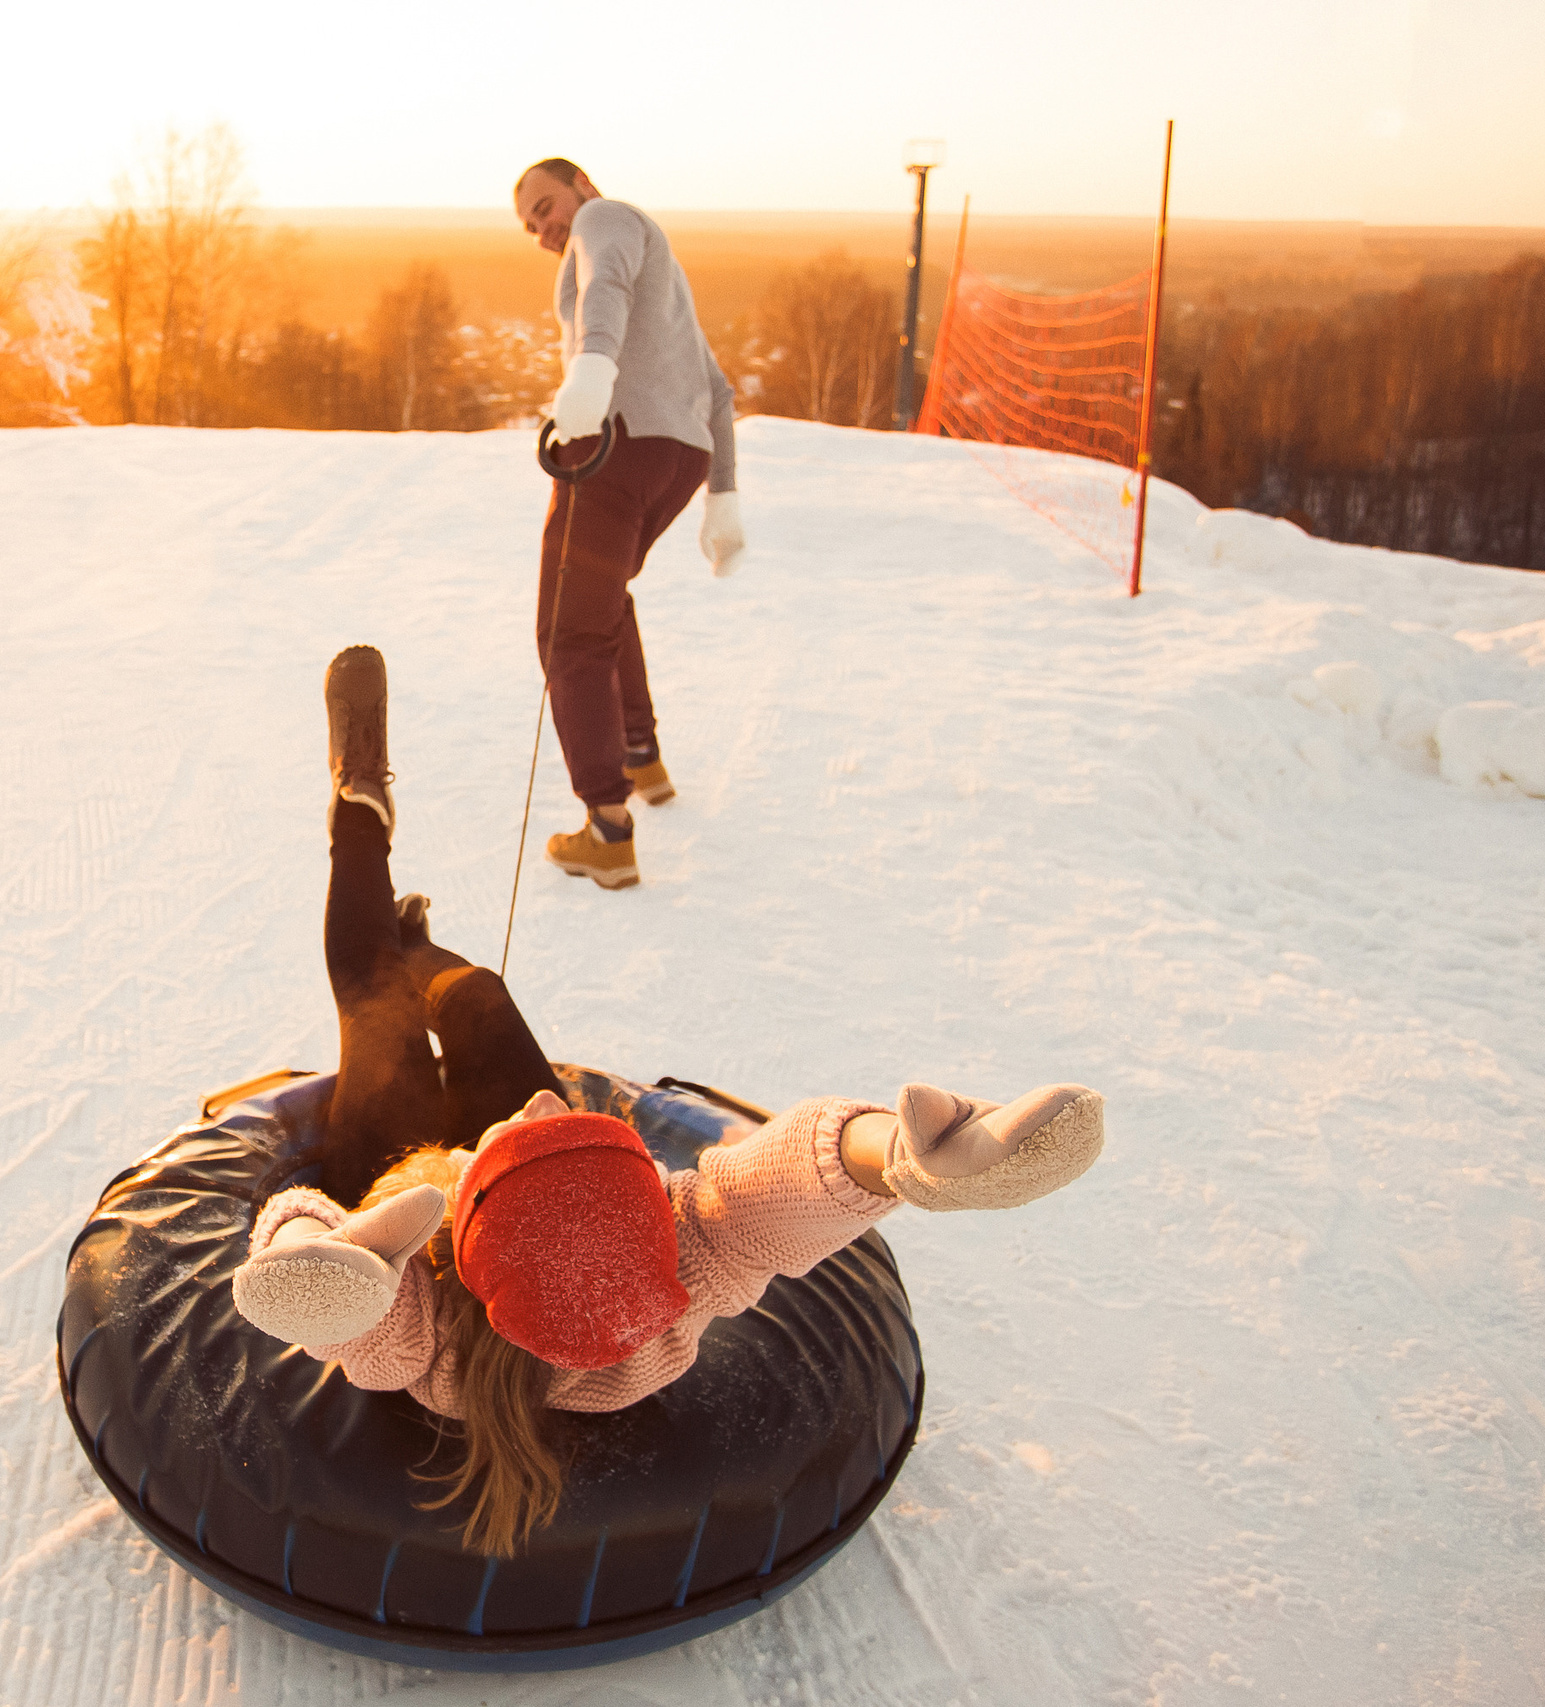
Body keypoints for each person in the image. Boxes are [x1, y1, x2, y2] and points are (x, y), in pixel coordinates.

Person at [232, 647, 1105, 1557]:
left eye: (533, 1129)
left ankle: (360, 812)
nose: (542, 1105)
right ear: (650, 1208)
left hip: (400, 1188)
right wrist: (897, 1157)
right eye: (580, 1136)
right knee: (481, 995)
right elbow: (776, 1192)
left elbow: (351, 1310)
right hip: (522, 1201)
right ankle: (425, 953)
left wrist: (315, 1248)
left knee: (374, 1006)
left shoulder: (428, 1333)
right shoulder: (668, 1280)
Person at [513, 157, 745, 892]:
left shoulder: (605, 219)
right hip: (677, 457)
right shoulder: (664, 273)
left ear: (581, 184)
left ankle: (607, 833)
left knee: (568, 630)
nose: (544, 230)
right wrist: (722, 495)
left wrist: (590, 373)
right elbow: (717, 389)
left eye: (546, 208)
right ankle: (641, 755)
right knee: (603, 600)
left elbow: (602, 287)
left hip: (613, 445)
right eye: (530, 226)